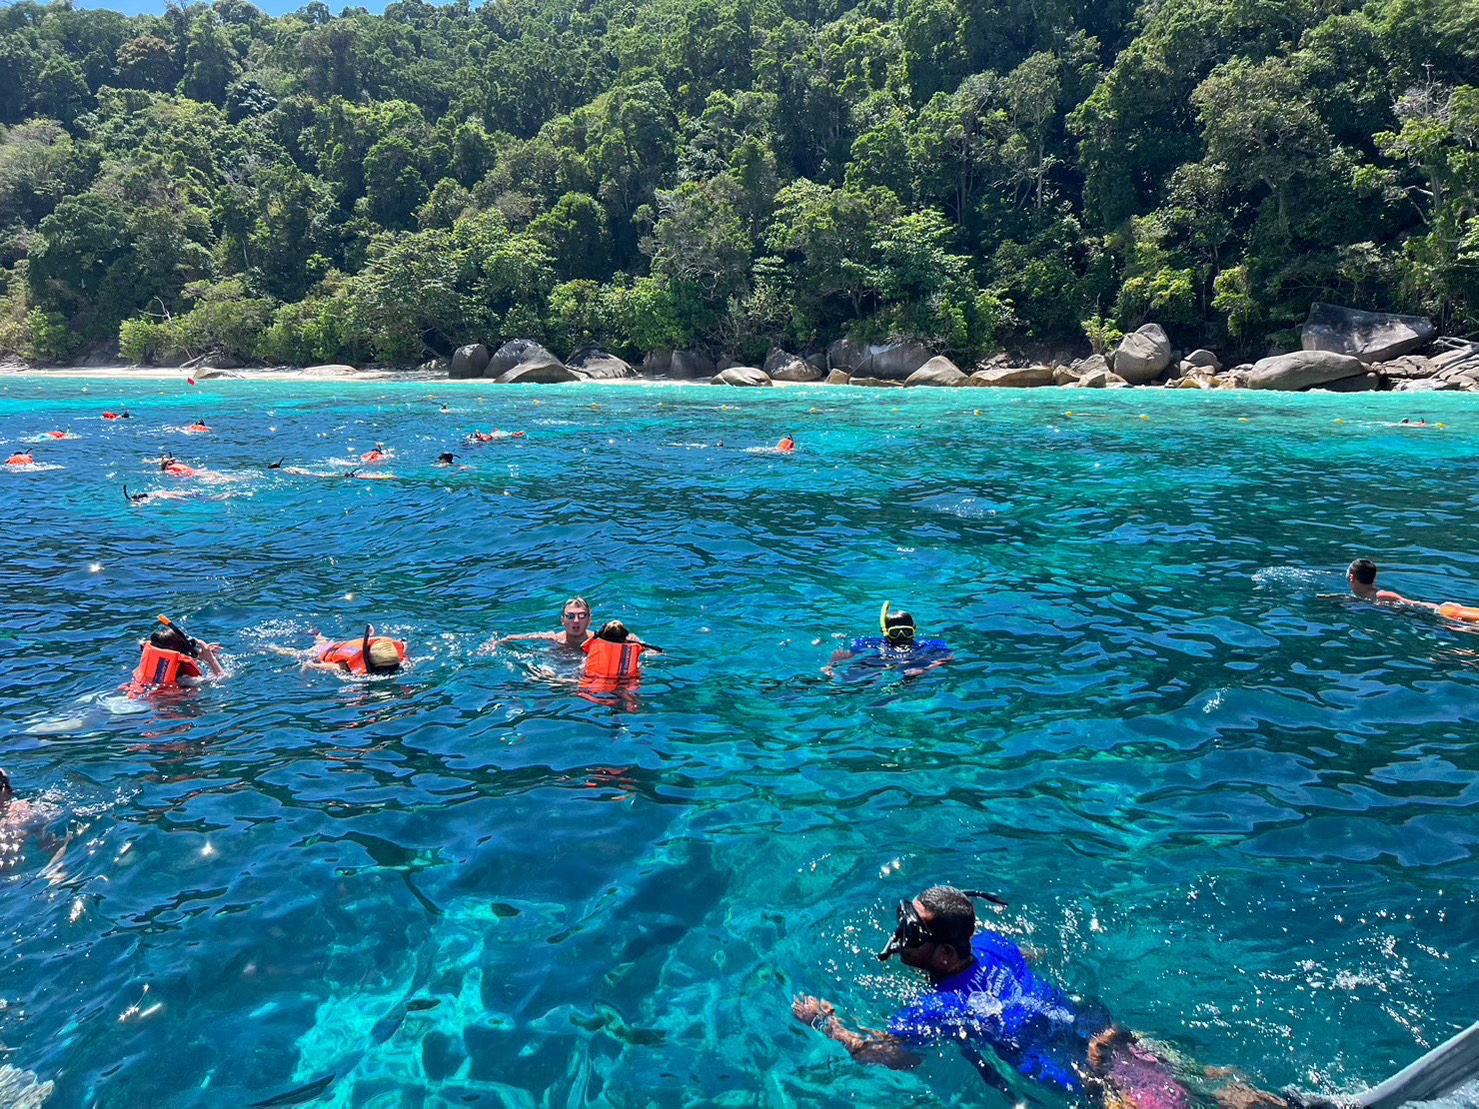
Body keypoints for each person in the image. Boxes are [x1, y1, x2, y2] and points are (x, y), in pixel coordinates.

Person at [794, 886, 1284, 1108]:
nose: (901, 937)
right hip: (1106, 1035)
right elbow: (1031, 950)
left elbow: (894, 1057)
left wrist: (826, 1024)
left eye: (912, 932)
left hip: (1091, 1083)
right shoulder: (991, 945)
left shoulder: (938, 1009)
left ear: (944, 954)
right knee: (1204, 1083)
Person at [824, 602, 952, 678]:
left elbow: (948, 656)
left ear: (915, 630)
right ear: (885, 633)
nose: (901, 637)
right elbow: (851, 655)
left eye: (906, 632)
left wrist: (927, 669)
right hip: (878, 667)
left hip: (911, 668)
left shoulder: (928, 645)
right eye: (895, 633)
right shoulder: (873, 643)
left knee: (909, 678)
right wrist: (833, 663)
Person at [125, 617, 225, 696]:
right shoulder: (184, 679)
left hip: (136, 695)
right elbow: (222, 678)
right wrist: (211, 660)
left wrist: (198, 655)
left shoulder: (150, 665)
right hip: (159, 704)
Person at [498, 597, 595, 650]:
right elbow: (525, 637)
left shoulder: (598, 640)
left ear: (589, 620)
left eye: (581, 615)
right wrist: (500, 642)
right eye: (570, 616)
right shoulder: (555, 639)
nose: (576, 620)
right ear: (562, 621)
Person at [307, 626, 407, 674]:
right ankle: (316, 634)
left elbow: (404, 644)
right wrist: (308, 667)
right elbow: (313, 665)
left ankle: (317, 634)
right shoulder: (343, 666)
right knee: (319, 644)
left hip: (346, 645)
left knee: (323, 640)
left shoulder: (394, 655)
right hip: (325, 651)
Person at [1346, 559, 1437, 610]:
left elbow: (1416, 604)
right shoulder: (1359, 597)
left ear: (1351, 577)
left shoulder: (1381, 595)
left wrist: (1440, 609)